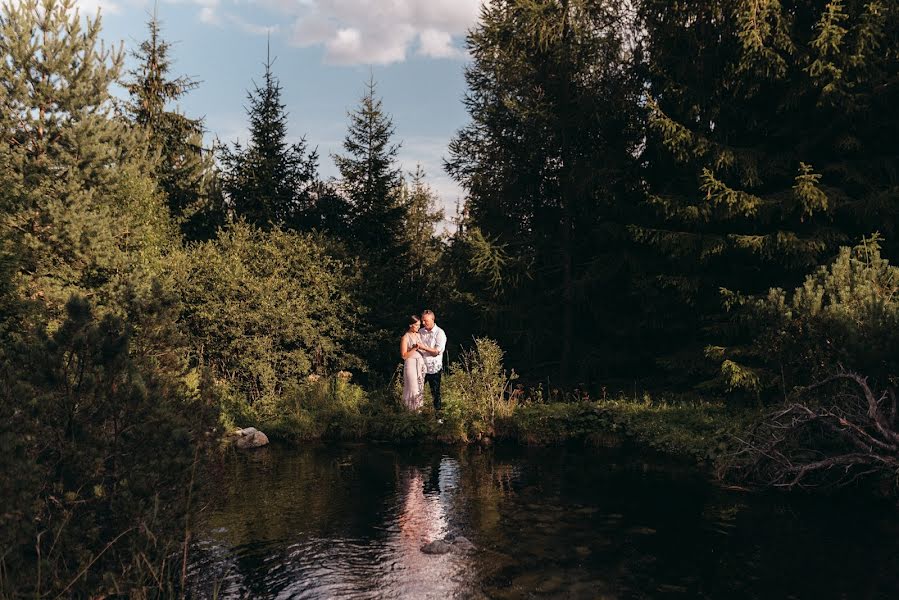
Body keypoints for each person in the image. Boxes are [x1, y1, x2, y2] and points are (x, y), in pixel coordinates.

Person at [416, 309, 447, 421]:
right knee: (418, 391)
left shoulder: (440, 333)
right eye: (422, 320)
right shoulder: (421, 331)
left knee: (435, 393)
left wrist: (423, 347)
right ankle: (417, 416)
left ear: (432, 320)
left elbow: (436, 352)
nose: (423, 323)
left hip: (434, 368)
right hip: (421, 367)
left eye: (426, 321)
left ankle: (439, 419)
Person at [401, 315, 425, 411]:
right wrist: (414, 348)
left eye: (419, 325)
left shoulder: (419, 335)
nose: (418, 327)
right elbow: (404, 355)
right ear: (410, 325)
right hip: (411, 363)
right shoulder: (405, 337)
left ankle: (419, 410)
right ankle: (410, 410)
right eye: (416, 325)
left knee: (420, 387)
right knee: (413, 387)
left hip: (420, 363)